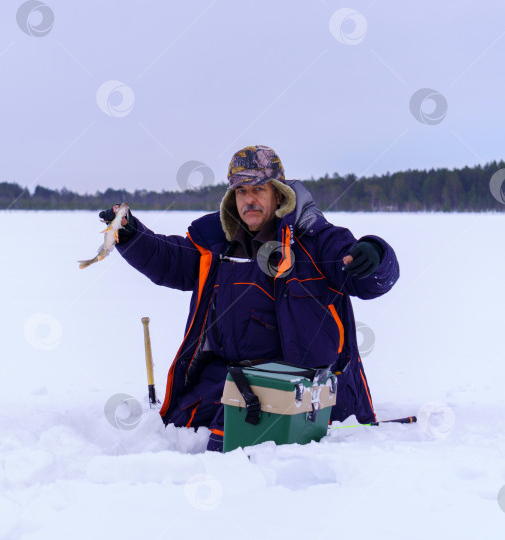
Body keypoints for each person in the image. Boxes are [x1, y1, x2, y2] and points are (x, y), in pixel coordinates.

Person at [100, 145, 399, 451]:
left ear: (279, 195)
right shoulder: (218, 246)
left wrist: (376, 254)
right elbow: (171, 261)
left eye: (258, 189)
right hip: (229, 380)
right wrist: (131, 234)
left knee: (240, 447)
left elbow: (370, 282)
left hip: (304, 391)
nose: (249, 199)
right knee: (187, 427)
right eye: (241, 191)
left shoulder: (318, 242)